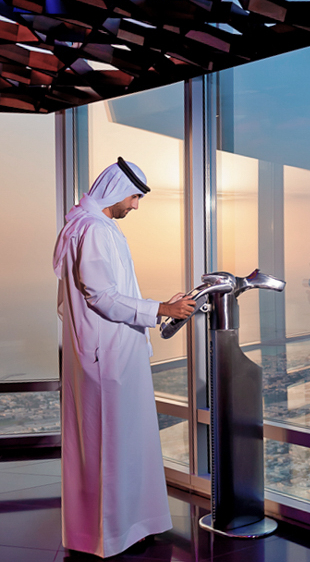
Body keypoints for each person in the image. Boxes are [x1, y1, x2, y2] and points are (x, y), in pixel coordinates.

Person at [52, 158, 196, 558]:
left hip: (101, 354)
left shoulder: (84, 225)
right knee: (114, 447)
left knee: (118, 446)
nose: (135, 206)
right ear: (116, 190)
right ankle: (115, 533)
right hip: (108, 358)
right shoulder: (95, 229)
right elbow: (100, 296)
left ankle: (124, 528)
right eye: (134, 197)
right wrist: (161, 310)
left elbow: (71, 301)